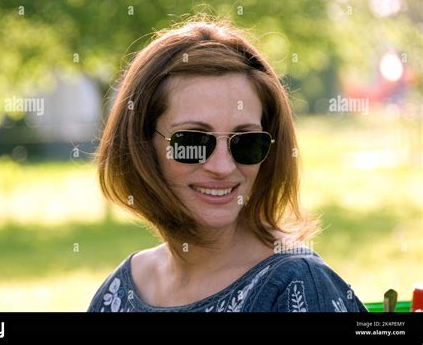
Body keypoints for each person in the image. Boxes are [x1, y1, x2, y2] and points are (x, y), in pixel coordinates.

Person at [88, 19, 368, 312]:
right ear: (143, 145)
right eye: (193, 140)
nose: (222, 167)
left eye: (246, 142)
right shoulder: (117, 292)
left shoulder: (296, 287)